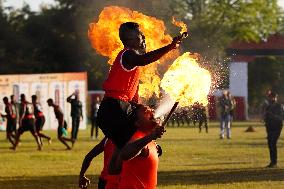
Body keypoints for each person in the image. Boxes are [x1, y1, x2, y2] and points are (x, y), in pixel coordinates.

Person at [97, 22, 182, 150]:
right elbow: (144, 60)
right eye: (140, 36)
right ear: (131, 40)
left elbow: (131, 99)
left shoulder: (131, 64)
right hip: (115, 108)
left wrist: (143, 108)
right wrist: (170, 47)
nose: (143, 39)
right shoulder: (127, 54)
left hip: (115, 107)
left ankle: (123, 160)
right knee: (132, 148)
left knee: (135, 144)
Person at [111, 104, 165, 189]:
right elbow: (125, 154)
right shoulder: (136, 137)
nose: (152, 111)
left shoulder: (147, 140)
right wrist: (151, 136)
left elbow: (113, 169)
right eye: (145, 112)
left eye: (151, 109)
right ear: (137, 122)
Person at [263, 92, 284, 168]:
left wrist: (273, 116)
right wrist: (265, 118)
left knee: (272, 143)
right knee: (270, 144)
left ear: (276, 97)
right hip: (269, 127)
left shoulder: (280, 106)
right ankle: (272, 162)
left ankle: (274, 162)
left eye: (273, 97)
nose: (271, 98)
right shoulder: (268, 106)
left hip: (277, 127)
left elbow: (281, 118)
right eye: (270, 97)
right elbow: (266, 116)